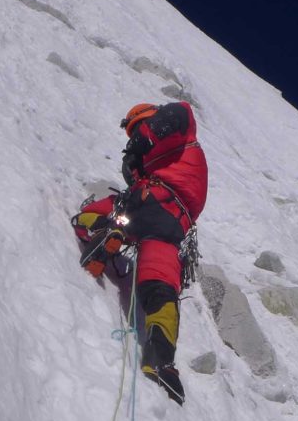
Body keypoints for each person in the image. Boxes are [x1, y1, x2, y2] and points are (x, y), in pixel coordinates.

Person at [71, 101, 208, 405]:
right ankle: (161, 358)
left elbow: (179, 112)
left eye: (137, 128)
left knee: (96, 215)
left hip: (146, 201)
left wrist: (142, 141)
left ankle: (108, 232)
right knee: (160, 283)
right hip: (171, 223)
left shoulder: (177, 129)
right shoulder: (164, 159)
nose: (136, 136)